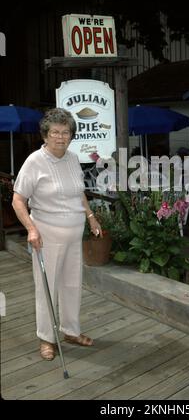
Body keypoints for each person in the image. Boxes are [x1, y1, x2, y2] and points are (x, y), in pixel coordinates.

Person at [12, 108, 102, 361]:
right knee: (47, 287)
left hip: (75, 233)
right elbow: (18, 200)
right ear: (45, 135)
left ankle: (70, 331)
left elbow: (78, 192)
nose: (60, 137)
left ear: (71, 135)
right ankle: (46, 338)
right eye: (55, 132)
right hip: (47, 236)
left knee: (72, 284)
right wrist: (31, 229)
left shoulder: (73, 158)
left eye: (65, 132)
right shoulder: (34, 161)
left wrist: (90, 216)